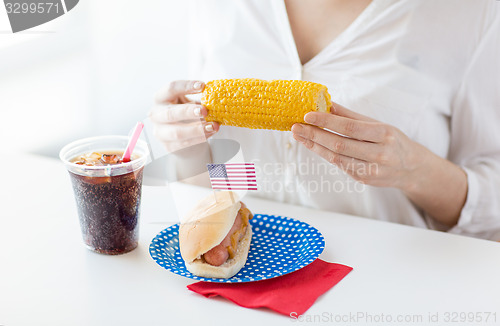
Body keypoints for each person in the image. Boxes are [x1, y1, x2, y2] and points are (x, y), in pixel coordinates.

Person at [149, 0, 500, 240]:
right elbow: (218, 175)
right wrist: (186, 150)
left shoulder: (471, 14)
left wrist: (417, 170)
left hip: (387, 280)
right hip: (244, 265)